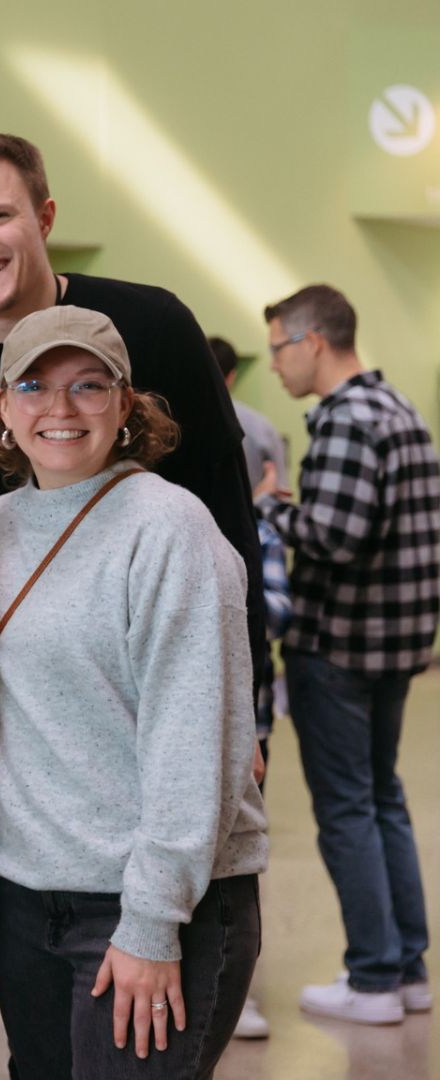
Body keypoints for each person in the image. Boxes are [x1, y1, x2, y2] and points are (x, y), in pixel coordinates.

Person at [0, 305, 266, 1076]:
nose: (60, 408)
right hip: (25, 898)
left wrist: (151, 923)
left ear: (126, 403)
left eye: (88, 385)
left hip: (152, 904)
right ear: (3, 406)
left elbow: (193, 740)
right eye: (33, 385)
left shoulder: (168, 527)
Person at [0, 132, 266, 665]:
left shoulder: (156, 328)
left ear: (45, 218)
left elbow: (230, 526)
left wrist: (244, 689)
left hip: (156, 667)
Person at [254, 284, 438, 1025]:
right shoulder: (399, 409)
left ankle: (371, 980)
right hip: (397, 646)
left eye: (278, 348)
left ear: (312, 342)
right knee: (383, 799)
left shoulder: (345, 419)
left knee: (348, 810)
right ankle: (408, 969)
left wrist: (268, 507)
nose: (274, 365)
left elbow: (334, 537)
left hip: (339, 648)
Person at [209, 336, 289, 489]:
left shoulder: (173, 423)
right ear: (232, 376)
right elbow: (280, 488)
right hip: (253, 504)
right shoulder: (260, 426)